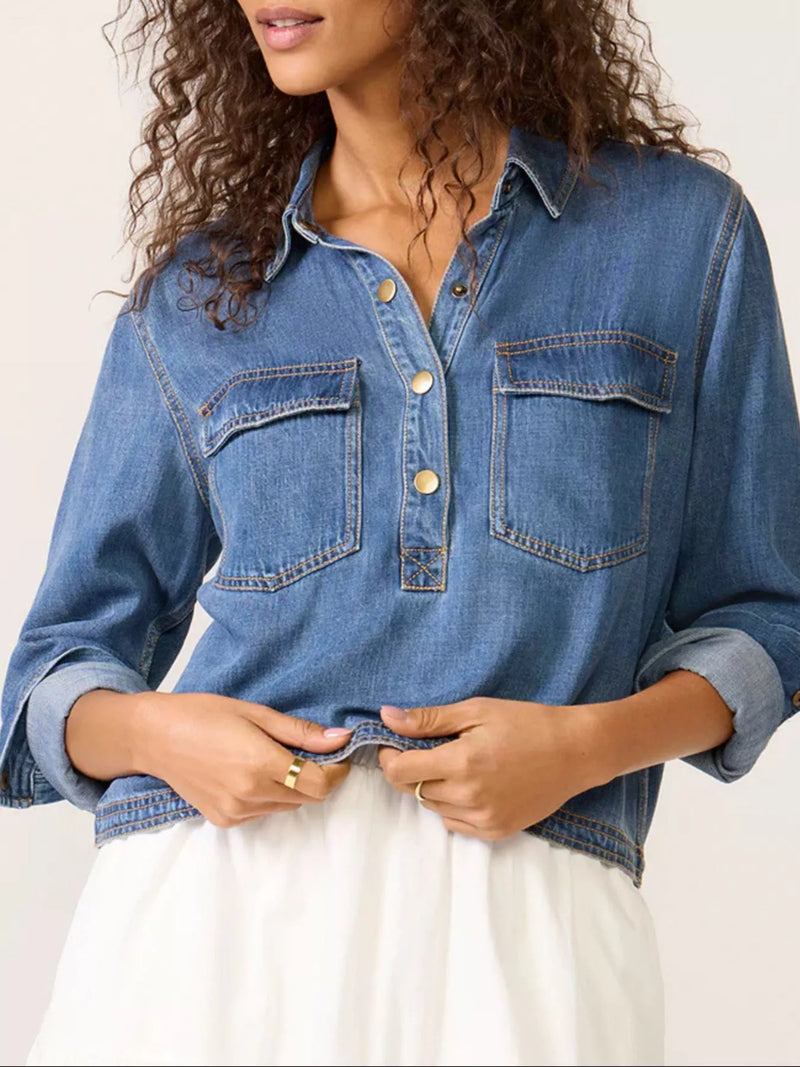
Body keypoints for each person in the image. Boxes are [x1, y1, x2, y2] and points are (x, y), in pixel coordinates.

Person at [2, 2, 799, 1064]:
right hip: (206, 928)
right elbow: (44, 682)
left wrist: (583, 746)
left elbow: (766, 615)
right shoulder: (197, 296)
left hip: (529, 921)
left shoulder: (678, 237)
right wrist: (162, 735)